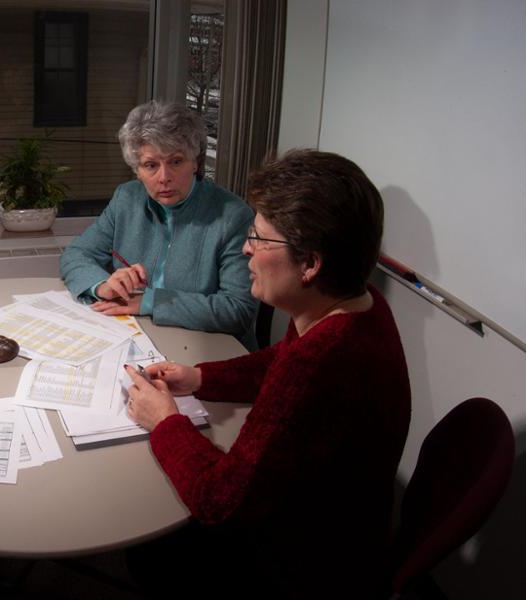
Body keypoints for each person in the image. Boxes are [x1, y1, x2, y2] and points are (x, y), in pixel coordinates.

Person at [124, 150, 411, 597]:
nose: (246, 249)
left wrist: (165, 420)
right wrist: (199, 377)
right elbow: (278, 361)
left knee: (147, 546)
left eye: (259, 238)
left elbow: (220, 502)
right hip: (348, 525)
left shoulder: (320, 361)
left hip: (302, 565)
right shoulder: (356, 304)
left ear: (310, 263)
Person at [59, 101, 258, 350]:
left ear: (195, 162)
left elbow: (238, 310)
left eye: (176, 162)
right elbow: (76, 254)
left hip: (208, 349)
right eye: (151, 165)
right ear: (137, 170)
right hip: (135, 337)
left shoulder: (233, 215)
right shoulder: (126, 199)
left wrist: (150, 302)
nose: (164, 177)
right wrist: (103, 286)